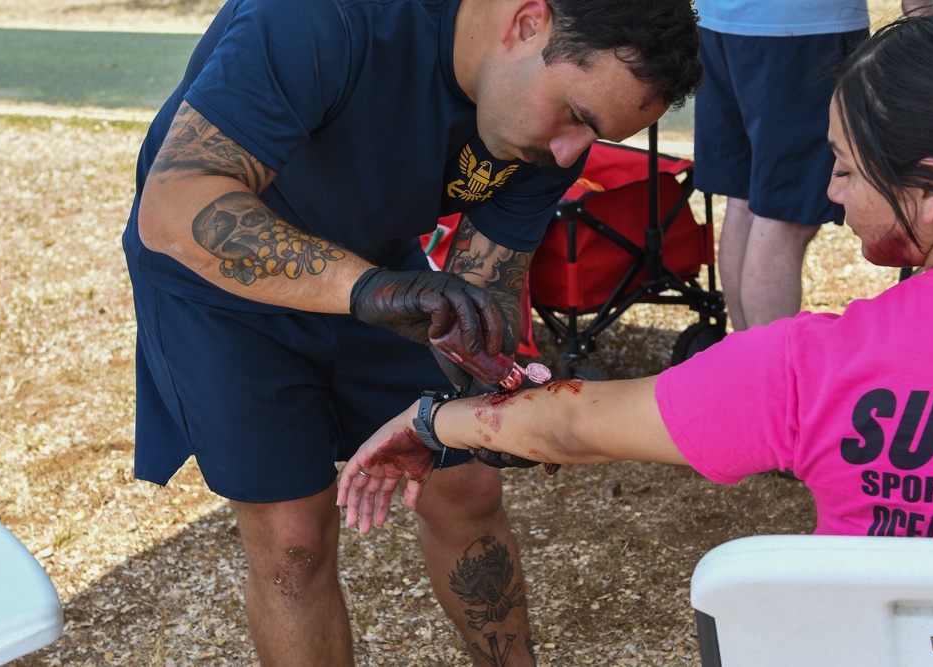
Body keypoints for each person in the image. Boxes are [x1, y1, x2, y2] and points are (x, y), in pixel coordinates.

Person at [121, 0, 702, 664]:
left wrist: (498, 385)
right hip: (218, 283)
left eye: (595, 136)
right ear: (528, 21)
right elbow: (172, 205)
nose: (573, 152)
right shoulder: (320, 17)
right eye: (575, 115)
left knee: (468, 480)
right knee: (294, 542)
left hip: (377, 268)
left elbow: (484, 289)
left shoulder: (550, 140)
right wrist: (367, 288)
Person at [339, 11, 933, 543]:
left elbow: (575, 424)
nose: (831, 189)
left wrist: (428, 422)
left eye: (845, 167)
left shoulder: (808, 369)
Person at [692, 1, 879, 332]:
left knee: (746, 203)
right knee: (786, 218)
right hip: (803, 30)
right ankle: (768, 373)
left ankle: (747, 365)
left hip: (720, 22)